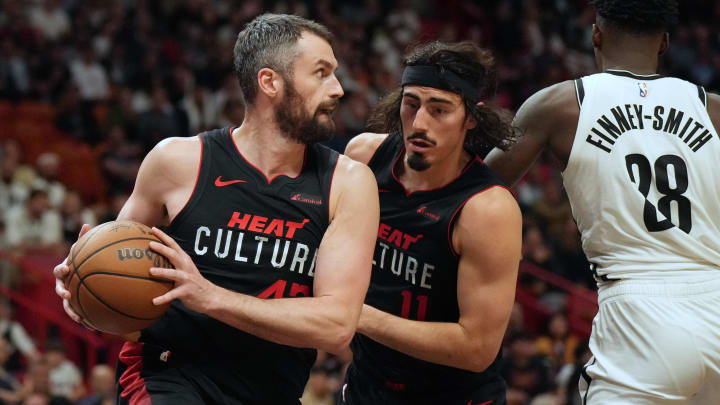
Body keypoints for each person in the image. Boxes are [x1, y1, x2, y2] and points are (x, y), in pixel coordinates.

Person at [53, 13, 379, 404]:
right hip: (169, 372)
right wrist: (79, 282)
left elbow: (336, 326)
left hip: (272, 389)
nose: (339, 89)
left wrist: (210, 296)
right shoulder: (177, 161)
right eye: (322, 73)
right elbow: (115, 266)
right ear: (270, 82)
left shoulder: (349, 183)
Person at [485, 1, 720, 403]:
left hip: (638, 310)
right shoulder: (712, 108)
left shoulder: (561, 104)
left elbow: (477, 189)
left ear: (595, 34)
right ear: (664, 43)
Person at [342, 41, 522, 404]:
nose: (419, 124)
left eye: (440, 110)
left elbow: (476, 348)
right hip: (368, 385)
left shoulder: (487, 210)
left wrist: (353, 314)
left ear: (471, 117)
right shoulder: (363, 157)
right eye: (411, 105)